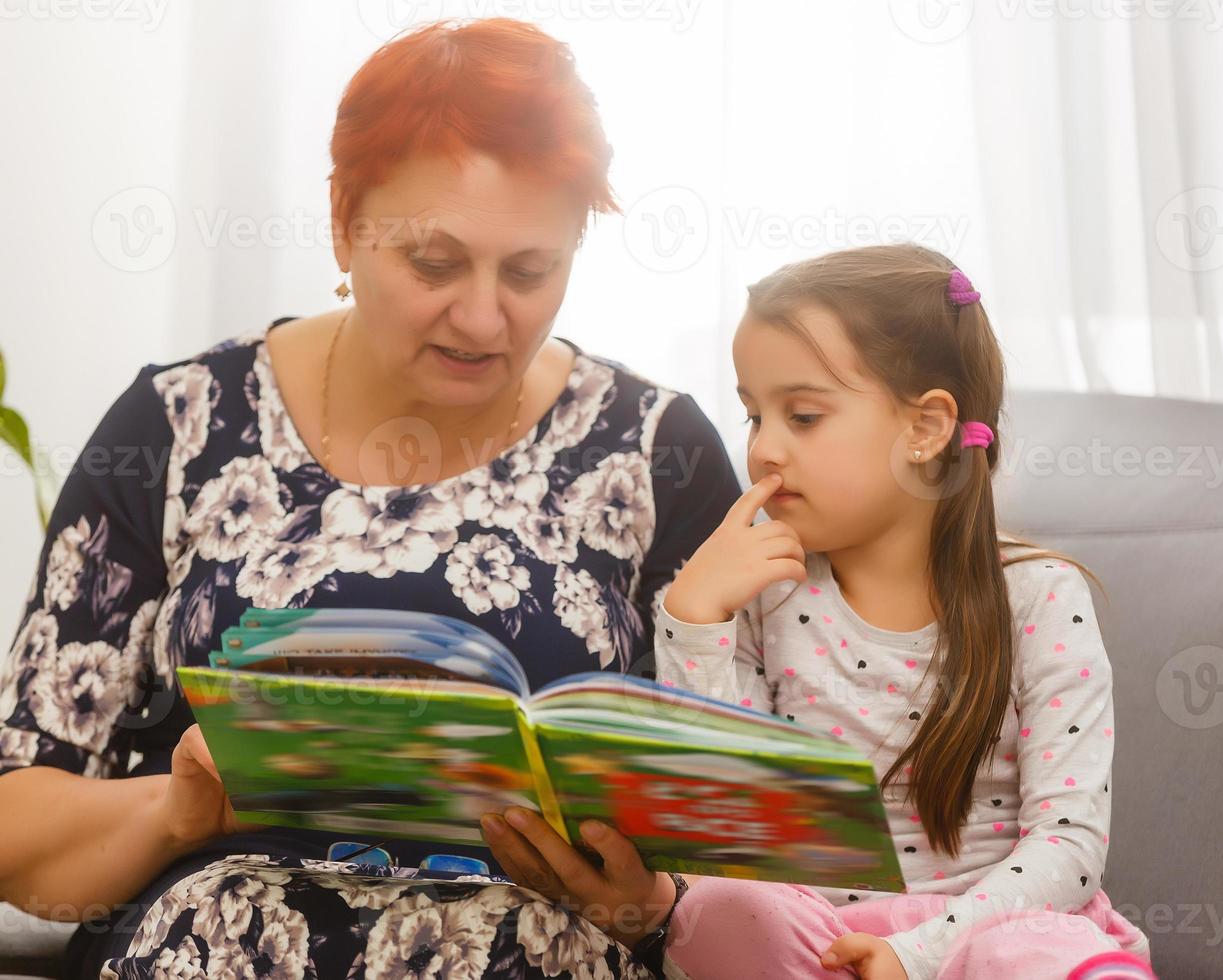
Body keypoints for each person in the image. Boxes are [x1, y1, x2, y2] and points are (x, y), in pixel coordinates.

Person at [0, 18, 741, 978]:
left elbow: (760, 824)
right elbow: (20, 832)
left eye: (530, 271)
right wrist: (174, 812)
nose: (483, 317)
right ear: (345, 222)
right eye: (434, 264)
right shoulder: (180, 423)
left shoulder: (658, 452)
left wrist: (649, 906)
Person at [652, 244, 1156, 979]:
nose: (763, 450)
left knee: (1036, 957)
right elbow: (727, 830)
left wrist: (915, 954)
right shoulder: (765, 593)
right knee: (718, 911)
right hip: (824, 942)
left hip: (991, 933)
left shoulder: (1040, 596)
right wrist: (692, 621)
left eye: (802, 415)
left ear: (925, 429)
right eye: (754, 416)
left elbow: (1070, 845)